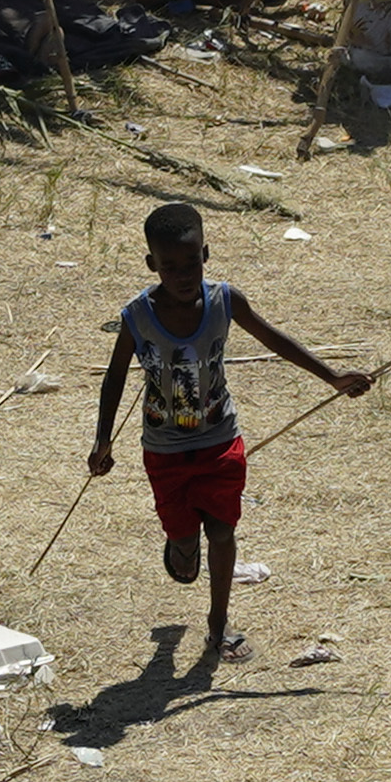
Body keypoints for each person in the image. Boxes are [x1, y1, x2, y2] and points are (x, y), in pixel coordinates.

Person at [88, 196, 365, 672]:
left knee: (223, 530)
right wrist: (102, 439)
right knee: (184, 550)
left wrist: (333, 377)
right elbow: (114, 377)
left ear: (206, 255)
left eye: (191, 261)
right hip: (165, 451)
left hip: (220, 439)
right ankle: (180, 545)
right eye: (169, 265)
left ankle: (219, 625)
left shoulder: (224, 300)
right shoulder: (136, 316)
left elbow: (273, 339)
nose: (181, 273)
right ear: (152, 263)